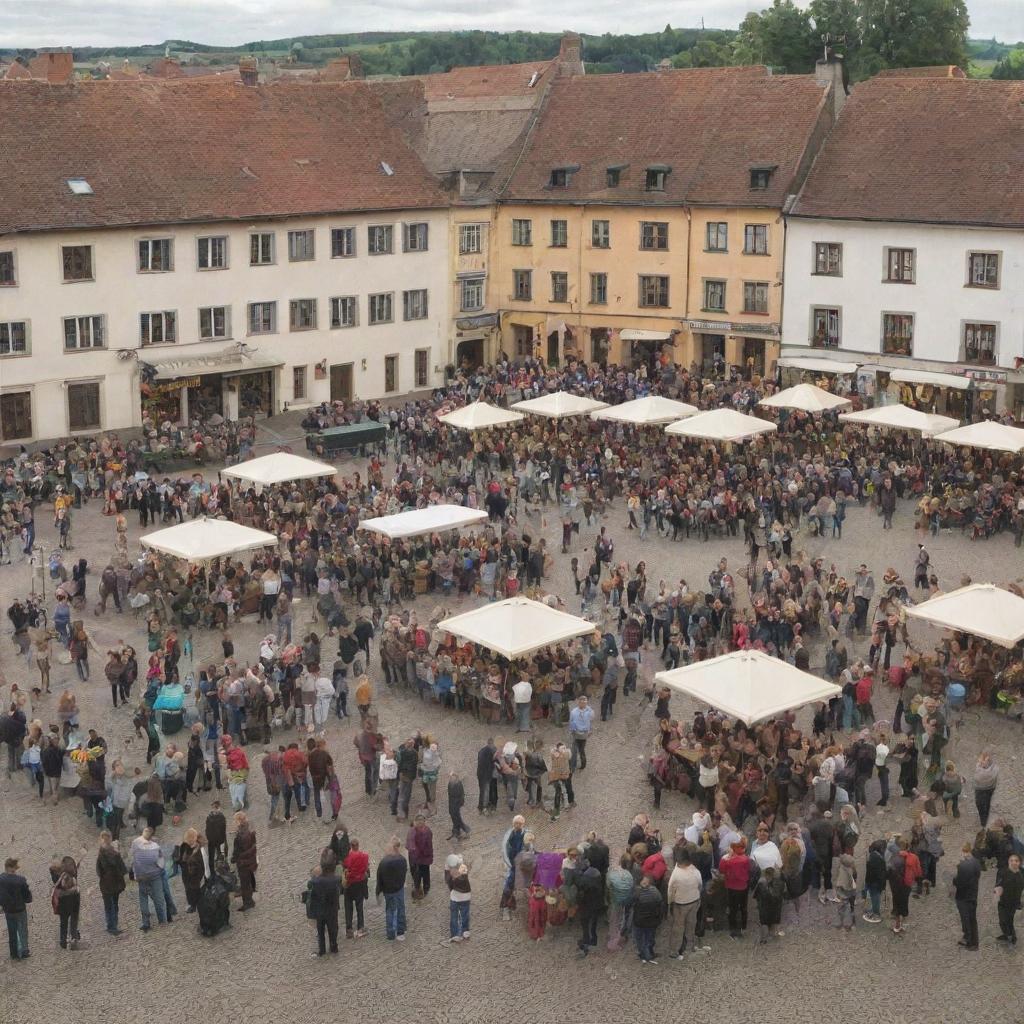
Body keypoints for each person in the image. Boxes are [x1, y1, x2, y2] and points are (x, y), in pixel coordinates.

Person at [666, 849, 703, 960]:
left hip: (680, 904)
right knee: (690, 925)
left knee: (679, 927)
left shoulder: (676, 873)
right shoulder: (695, 871)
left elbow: (670, 891)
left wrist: (670, 903)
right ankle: (689, 947)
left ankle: (674, 950)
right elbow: (700, 885)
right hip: (693, 901)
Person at [131, 827, 168, 931]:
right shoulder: (155, 847)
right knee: (158, 898)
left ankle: (145, 922)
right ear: (151, 836)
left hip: (141, 876)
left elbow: (133, 857)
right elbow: (161, 862)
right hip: (154, 876)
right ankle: (162, 920)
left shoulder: (135, 843)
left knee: (143, 898)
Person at [308, 850, 342, 956]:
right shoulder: (337, 880)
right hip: (332, 910)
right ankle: (334, 946)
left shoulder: (315, 881)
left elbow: (312, 895)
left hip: (320, 910)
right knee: (333, 928)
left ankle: (322, 950)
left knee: (321, 930)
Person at [376, 836, 408, 942]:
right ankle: (400, 931)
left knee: (390, 910)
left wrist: (378, 891)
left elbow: (379, 878)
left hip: (388, 891)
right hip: (399, 889)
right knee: (400, 909)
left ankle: (390, 933)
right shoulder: (403, 860)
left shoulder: (384, 862)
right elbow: (404, 874)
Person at [95, 831, 127, 935]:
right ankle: (113, 926)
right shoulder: (115, 854)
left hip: (106, 884)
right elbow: (123, 869)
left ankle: (112, 925)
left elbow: (99, 871)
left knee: (109, 906)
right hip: (115, 882)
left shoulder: (100, 854)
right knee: (114, 905)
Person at [0, 857, 32, 960]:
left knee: (12, 931)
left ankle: (13, 953)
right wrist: (28, 899)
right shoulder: (21, 880)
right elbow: (27, 895)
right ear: (13, 868)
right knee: (22, 930)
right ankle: (24, 951)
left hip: (8, 910)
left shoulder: (1, 879)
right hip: (20, 909)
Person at [720, 839, 752, 939]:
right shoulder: (746, 859)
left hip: (731, 887)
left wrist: (726, 857)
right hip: (743, 887)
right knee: (743, 907)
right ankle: (743, 926)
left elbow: (721, 870)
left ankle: (733, 930)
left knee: (733, 909)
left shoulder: (728, 860)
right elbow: (748, 870)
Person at [952, 843, 981, 950]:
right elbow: (977, 875)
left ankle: (971, 942)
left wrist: (954, 878)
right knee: (972, 919)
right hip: (973, 894)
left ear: (964, 851)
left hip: (963, 897)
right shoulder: (977, 862)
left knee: (967, 919)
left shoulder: (963, 866)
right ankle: (969, 938)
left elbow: (958, 882)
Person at [50, 855, 82, 950]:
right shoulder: (71, 875)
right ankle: (73, 938)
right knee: (74, 920)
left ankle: (63, 941)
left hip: (63, 903)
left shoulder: (56, 875)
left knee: (63, 922)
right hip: (74, 900)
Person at [632, 873, 663, 965]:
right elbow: (660, 905)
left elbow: (630, 903)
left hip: (639, 921)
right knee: (650, 938)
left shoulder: (637, 892)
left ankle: (644, 955)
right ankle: (650, 953)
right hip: (652, 921)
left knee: (640, 939)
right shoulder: (655, 892)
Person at [342, 838, 370, 939]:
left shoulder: (347, 857)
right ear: (358, 845)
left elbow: (345, 867)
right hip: (360, 883)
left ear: (351, 846)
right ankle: (360, 928)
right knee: (359, 906)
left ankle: (349, 930)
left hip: (349, 884)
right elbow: (366, 868)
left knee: (348, 907)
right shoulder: (364, 856)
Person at [231, 811, 258, 911]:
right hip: (250, 859)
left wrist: (233, 859)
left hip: (243, 862)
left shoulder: (239, 836)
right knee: (249, 881)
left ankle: (248, 902)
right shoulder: (250, 830)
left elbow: (236, 852)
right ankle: (250, 900)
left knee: (244, 883)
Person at [178, 828, 209, 913]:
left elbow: (202, 865)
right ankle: (193, 904)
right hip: (188, 874)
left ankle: (196, 904)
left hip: (194, 875)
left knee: (194, 889)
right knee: (189, 889)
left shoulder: (198, 851)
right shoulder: (185, 846)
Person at [996, 852, 1023, 946]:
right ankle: (1006, 934)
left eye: (1016, 861)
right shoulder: (1006, 872)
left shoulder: (1019, 878)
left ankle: (1012, 937)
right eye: (1011, 860)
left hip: (1010, 904)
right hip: (1002, 901)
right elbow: (1000, 883)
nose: (1013, 862)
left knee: (1008, 921)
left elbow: (1017, 894)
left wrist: (1016, 905)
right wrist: (998, 888)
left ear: (1019, 863)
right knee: (1002, 920)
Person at [444, 853, 472, 944]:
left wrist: (446, 870)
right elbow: (463, 870)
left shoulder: (450, 873)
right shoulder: (463, 868)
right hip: (466, 896)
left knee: (454, 916)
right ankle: (465, 931)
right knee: (465, 914)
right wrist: (460, 859)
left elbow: (448, 883)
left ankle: (455, 934)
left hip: (455, 897)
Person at [407, 814, 434, 900]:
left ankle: (425, 888)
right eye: (418, 821)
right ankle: (418, 888)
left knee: (424, 873)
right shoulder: (412, 831)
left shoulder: (427, 831)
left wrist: (427, 854)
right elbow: (410, 844)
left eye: (421, 821)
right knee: (417, 874)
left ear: (424, 822)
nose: (420, 823)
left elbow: (429, 845)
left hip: (423, 857)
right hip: (416, 858)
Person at [569, 695, 594, 771]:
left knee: (575, 750)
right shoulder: (587, 711)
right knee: (580, 750)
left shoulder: (576, 711)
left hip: (580, 734)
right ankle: (580, 765)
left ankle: (574, 766)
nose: (583, 703)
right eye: (582, 701)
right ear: (579, 702)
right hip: (579, 734)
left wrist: (572, 731)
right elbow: (572, 722)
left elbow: (572, 722)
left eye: (584, 701)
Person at [974, 751, 998, 828]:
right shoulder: (994, 768)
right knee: (980, 804)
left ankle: (984, 820)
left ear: (988, 762)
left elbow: (977, 778)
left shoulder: (980, 769)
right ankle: (984, 818)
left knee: (984, 804)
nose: (980, 762)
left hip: (985, 790)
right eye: (980, 760)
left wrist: (980, 767)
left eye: (983, 761)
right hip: (985, 789)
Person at [446, 770, 470, 841]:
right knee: (455, 817)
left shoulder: (458, 784)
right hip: (452, 803)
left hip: (455, 804)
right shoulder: (450, 783)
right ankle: (456, 831)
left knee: (457, 818)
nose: (450, 778)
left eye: (452, 776)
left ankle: (464, 829)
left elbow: (461, 795)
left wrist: (459, 803)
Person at [476, 738, 497, 815]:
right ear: (491, 744)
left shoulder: (481, 751)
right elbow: (489, 764)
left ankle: (480, 807)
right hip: (486, 775)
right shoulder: (490, 752)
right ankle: (484, 807)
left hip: (480, 774)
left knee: (482, 791)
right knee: (486, 791)